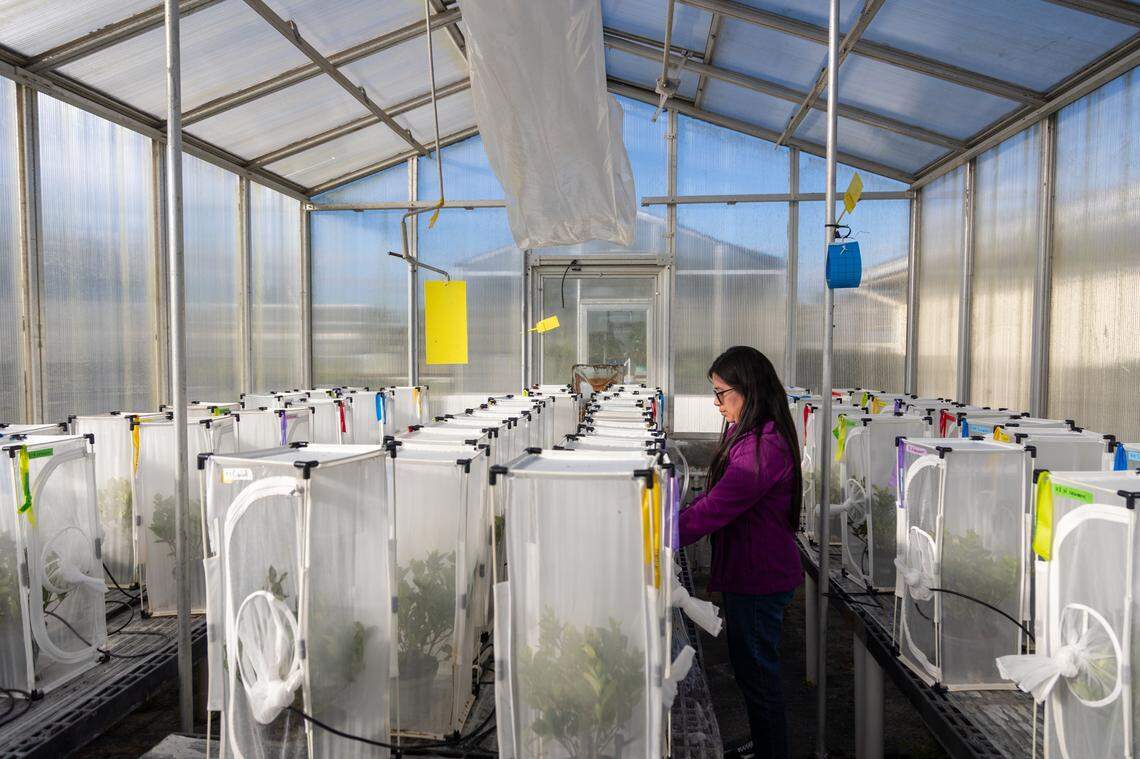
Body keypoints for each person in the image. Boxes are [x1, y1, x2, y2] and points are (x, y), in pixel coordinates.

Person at [678, 345, 803, 759]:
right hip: (751, 572)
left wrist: (657, 536)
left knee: (758, 675)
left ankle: (772, 750)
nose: (717, 405)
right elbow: (715, 498)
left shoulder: (762, 448)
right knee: (751, 670)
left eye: (721, 393)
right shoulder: (745, 433)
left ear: (748, 390)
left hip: (758, 579)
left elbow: (715, 508)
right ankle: (764, 740)